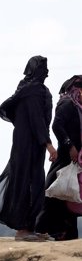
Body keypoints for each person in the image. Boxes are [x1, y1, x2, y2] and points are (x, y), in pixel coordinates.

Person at [0, 56, 57, 241]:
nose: (47, 72)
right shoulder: (32, 90)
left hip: (32, 145)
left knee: (33, 183)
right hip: (27, 144)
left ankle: (30, 227)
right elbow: (36, 120)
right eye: (44, 68)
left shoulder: (32, 89)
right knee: (28, 183)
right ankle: (23, 229)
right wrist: (49, 145)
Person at [35, 75, 82, 240]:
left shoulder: (79, 106)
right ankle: (42, 230)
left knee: (70, 195)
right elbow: (57, 126)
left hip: (76, 159)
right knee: (53, 193)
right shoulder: (67, 103)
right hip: (65, 156)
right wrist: (70, 146)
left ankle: (67, 234)